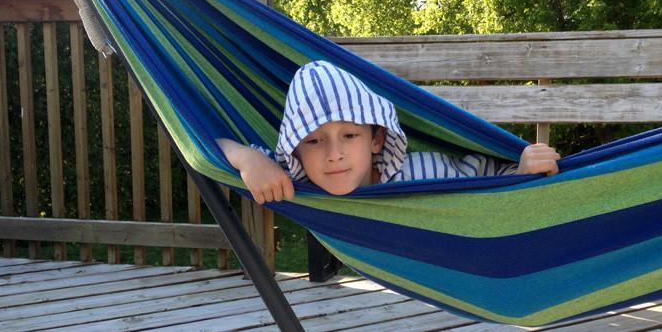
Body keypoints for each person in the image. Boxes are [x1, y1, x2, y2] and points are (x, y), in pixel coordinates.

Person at [217, 61, 560, 204]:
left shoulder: (424, 172)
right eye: (314, 140)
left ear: (376, 139)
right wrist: (247, 158)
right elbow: (209, 146)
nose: (334, 154)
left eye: (350, 135)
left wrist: (522, 170)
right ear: (295, 151)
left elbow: (488, 177)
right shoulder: (293, 181)